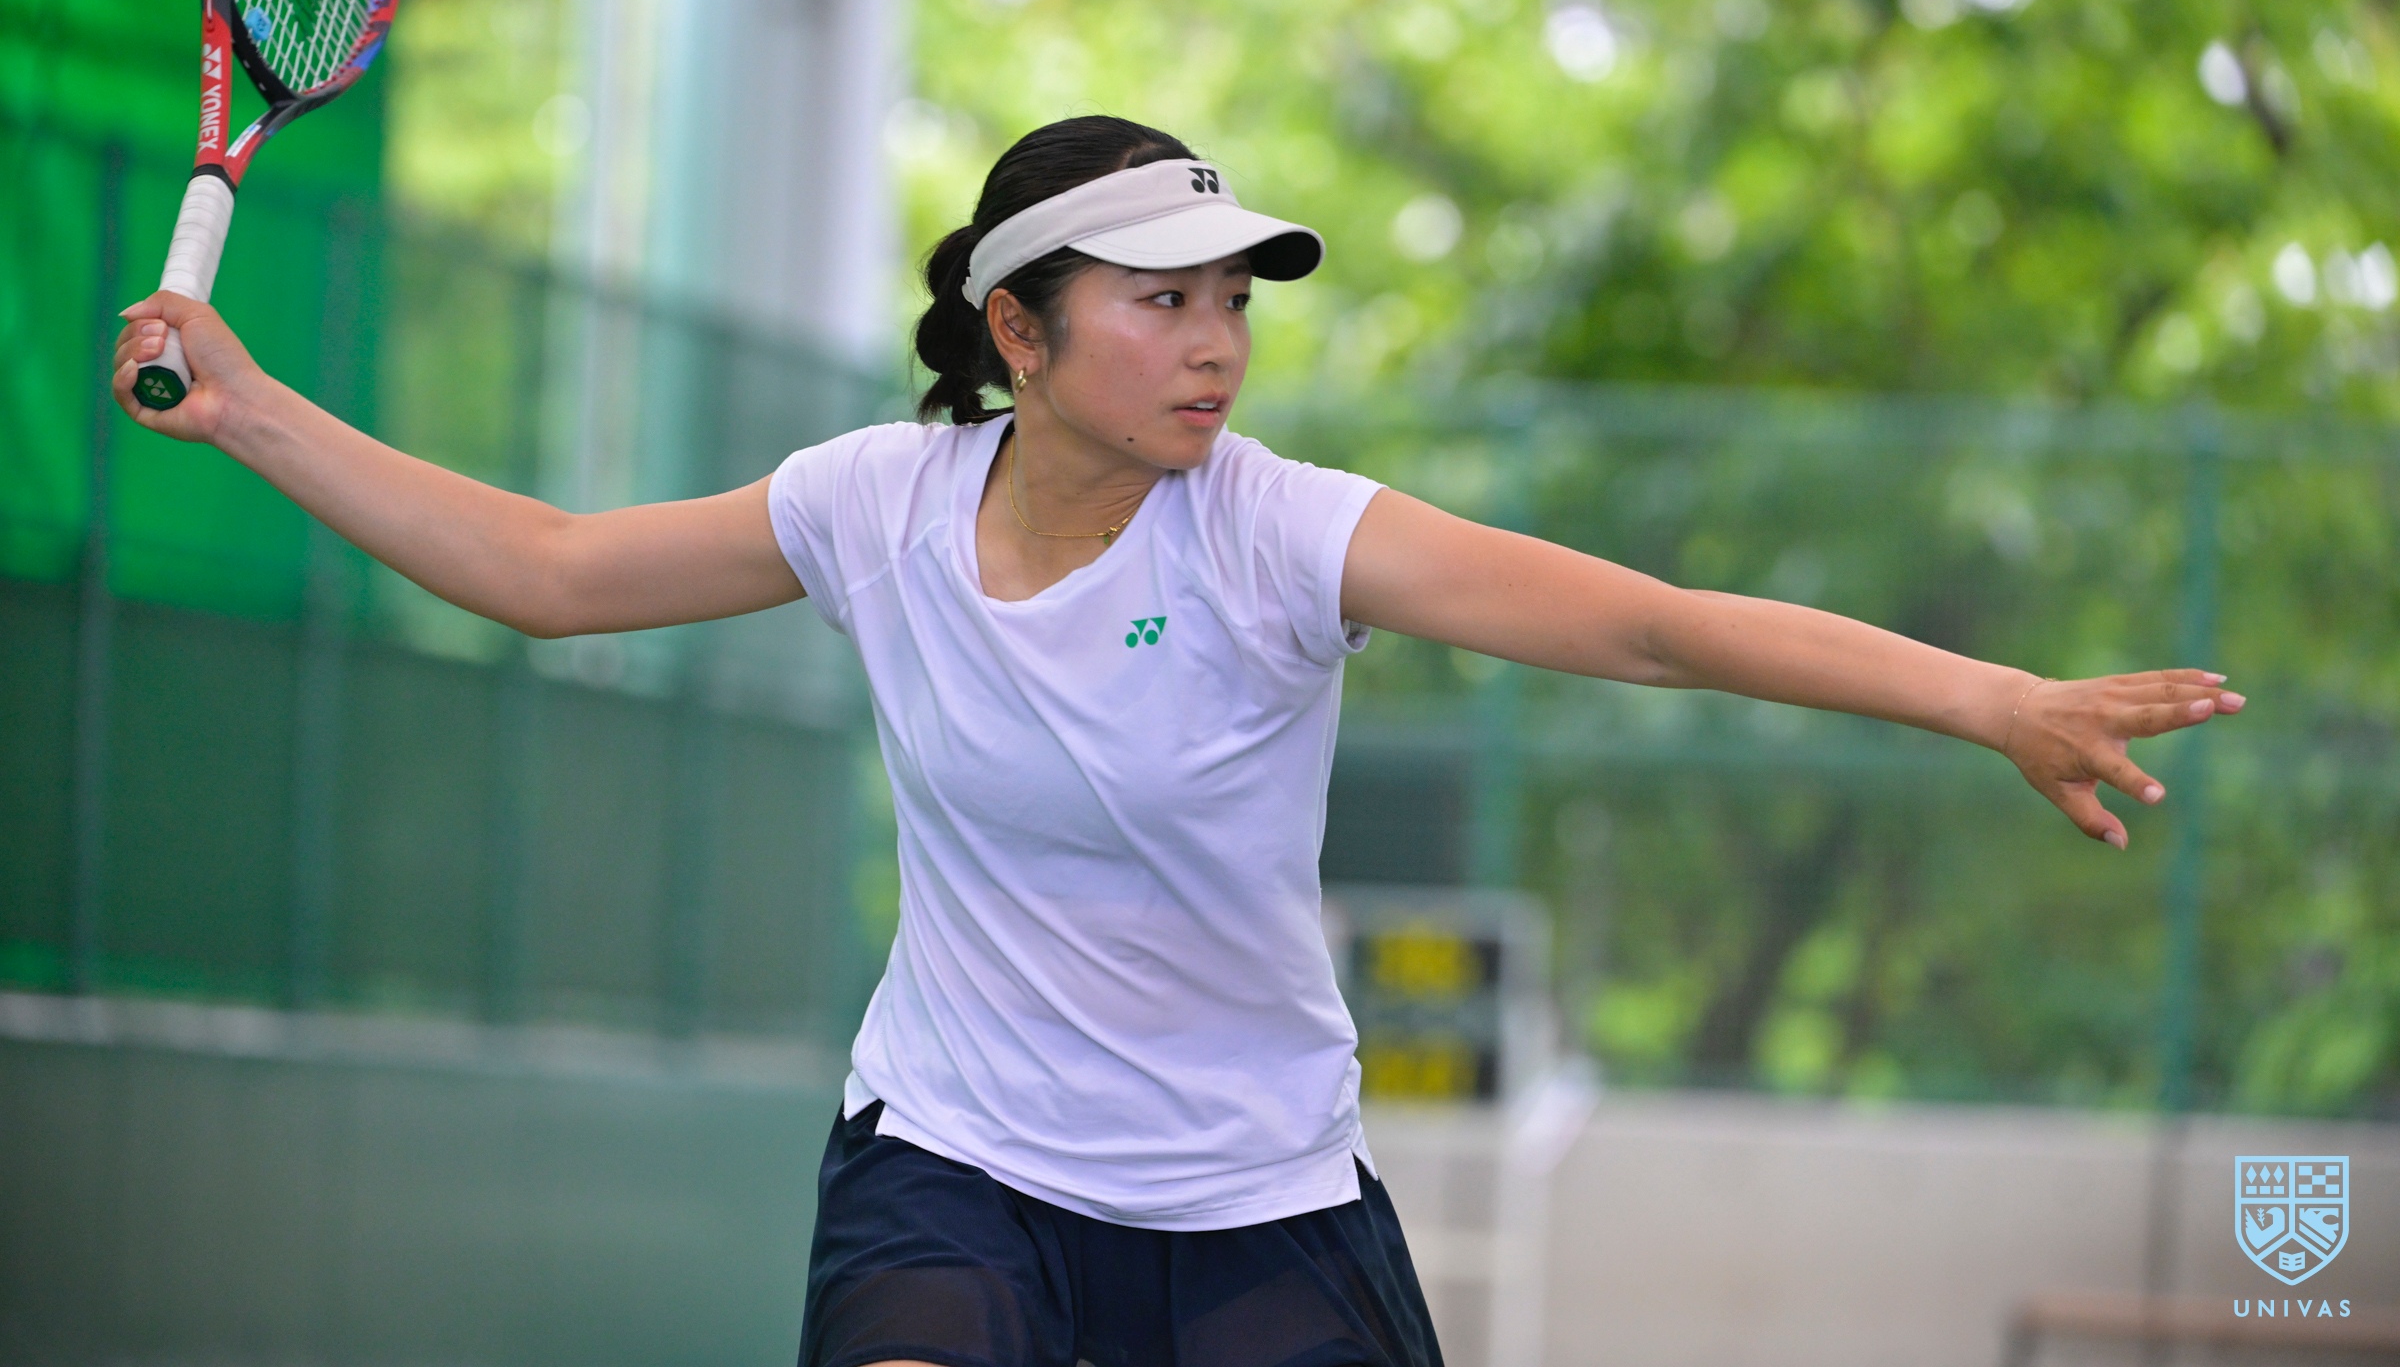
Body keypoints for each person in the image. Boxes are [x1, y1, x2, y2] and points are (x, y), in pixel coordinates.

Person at [114, 114, 2240, 1367]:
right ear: (1017, 331)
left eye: (1234, 300)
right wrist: (253, 409)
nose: (1216, 340)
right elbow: (556, 569)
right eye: (1162, 300)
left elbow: (1649, 624)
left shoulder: (1280, 532)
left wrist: (1991, 698)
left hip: (1256, 1199)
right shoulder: (873, 502)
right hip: (956, 1167)